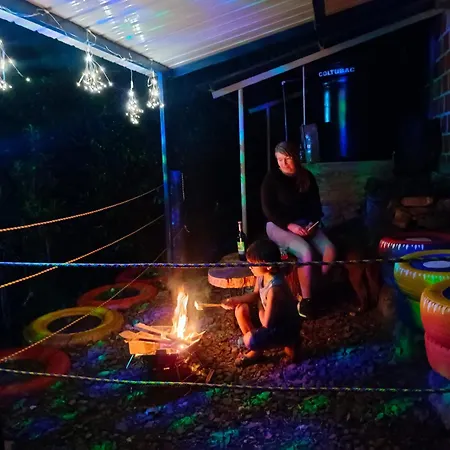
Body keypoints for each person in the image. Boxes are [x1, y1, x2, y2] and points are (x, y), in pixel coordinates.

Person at [261, 141, 336, 318]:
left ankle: (316, 286)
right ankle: (306, 302)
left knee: (330, 251)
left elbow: (316, 206)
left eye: (287, 159)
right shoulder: (272, 179)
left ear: (295, 157)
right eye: (279, 159)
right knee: (305, 251)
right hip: (278, 226)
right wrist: (290, 225)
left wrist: (312, 223)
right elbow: (269, 210)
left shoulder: (307, 177)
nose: (283, 163)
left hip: (305, 225)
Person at [221, 239, 302, 367]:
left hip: (282, 327)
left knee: (249, 340)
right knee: (240, 309)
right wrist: (235, 300)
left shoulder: (275, 289)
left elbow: (266, 323)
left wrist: (259, 303)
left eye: (253, 265)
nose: (250, 267)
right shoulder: (262, 275)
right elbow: (255, 294)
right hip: (268, 316)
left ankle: (290, 343)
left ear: (268, 266)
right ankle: (257, 351)